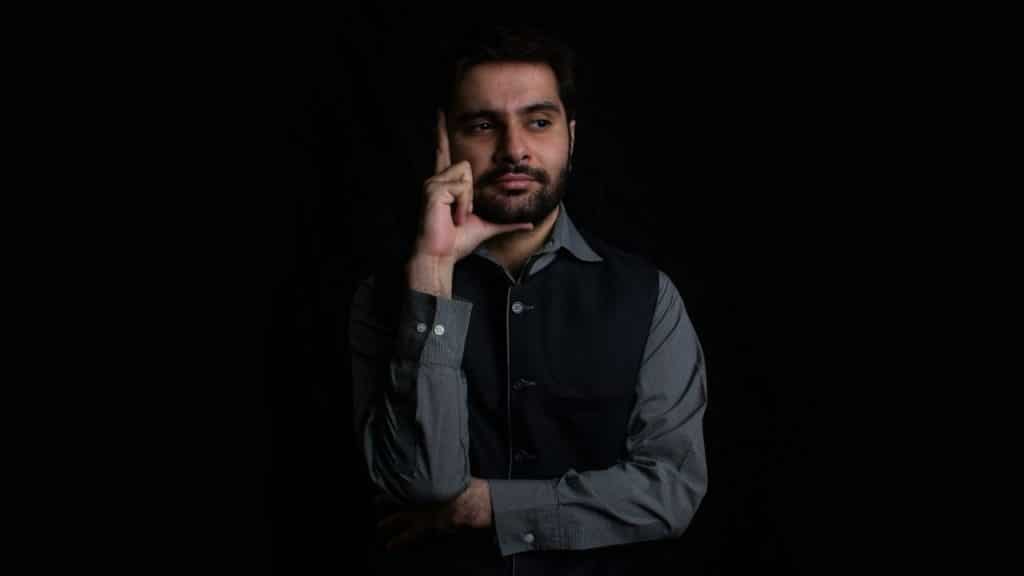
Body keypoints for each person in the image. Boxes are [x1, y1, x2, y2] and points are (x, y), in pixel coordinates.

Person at [349, 25, 708, 575]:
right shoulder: (385, 299)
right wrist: (433, 273)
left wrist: (486, 507)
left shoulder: (650, 297)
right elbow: (420, 484)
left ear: (570, 136)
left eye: (538, 122)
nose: (514, 148)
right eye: (483, 125)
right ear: (445, 138)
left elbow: (671, 492)